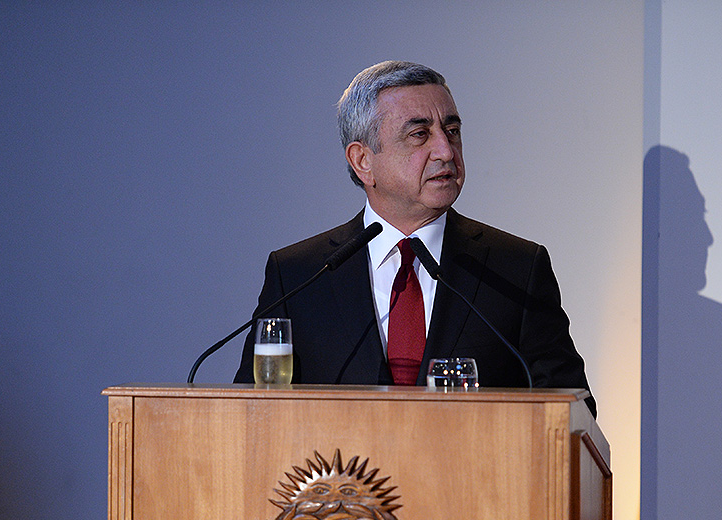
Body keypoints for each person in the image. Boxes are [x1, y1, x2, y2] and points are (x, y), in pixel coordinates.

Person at [234, 60, 595, 416]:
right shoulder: (299, 275)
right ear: (362, 161)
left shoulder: (515, 268)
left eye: (452, 130)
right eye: (420, 134)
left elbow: (572, 414)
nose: (446, 151)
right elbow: (251, 414)